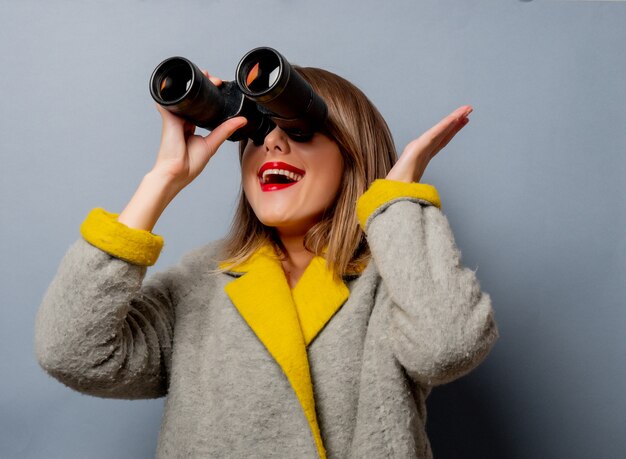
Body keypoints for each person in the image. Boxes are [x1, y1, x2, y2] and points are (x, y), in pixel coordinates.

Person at [35, 63, 498, 458]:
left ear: (353, 156)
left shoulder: (394, 278)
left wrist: (396, 202)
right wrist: (162, 180)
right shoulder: (201, 280)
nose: (272, 145)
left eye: (299, 130)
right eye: (258, 133)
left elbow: (446, 349)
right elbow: (72, 352)